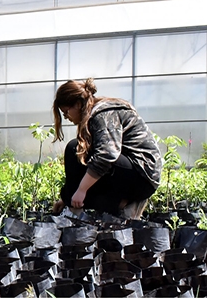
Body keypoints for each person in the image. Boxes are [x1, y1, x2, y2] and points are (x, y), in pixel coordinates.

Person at [51, 78, 162, 219]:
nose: (66, 117)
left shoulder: (103, 114)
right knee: (81, 155)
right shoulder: (97, 112)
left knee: (74, 148)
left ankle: (74, 211)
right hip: (133, 172)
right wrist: (68, 196)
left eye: (66, 112)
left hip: (142, 176)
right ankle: (119, 204)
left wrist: (80, 190)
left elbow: (107, 155)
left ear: (78, 104)